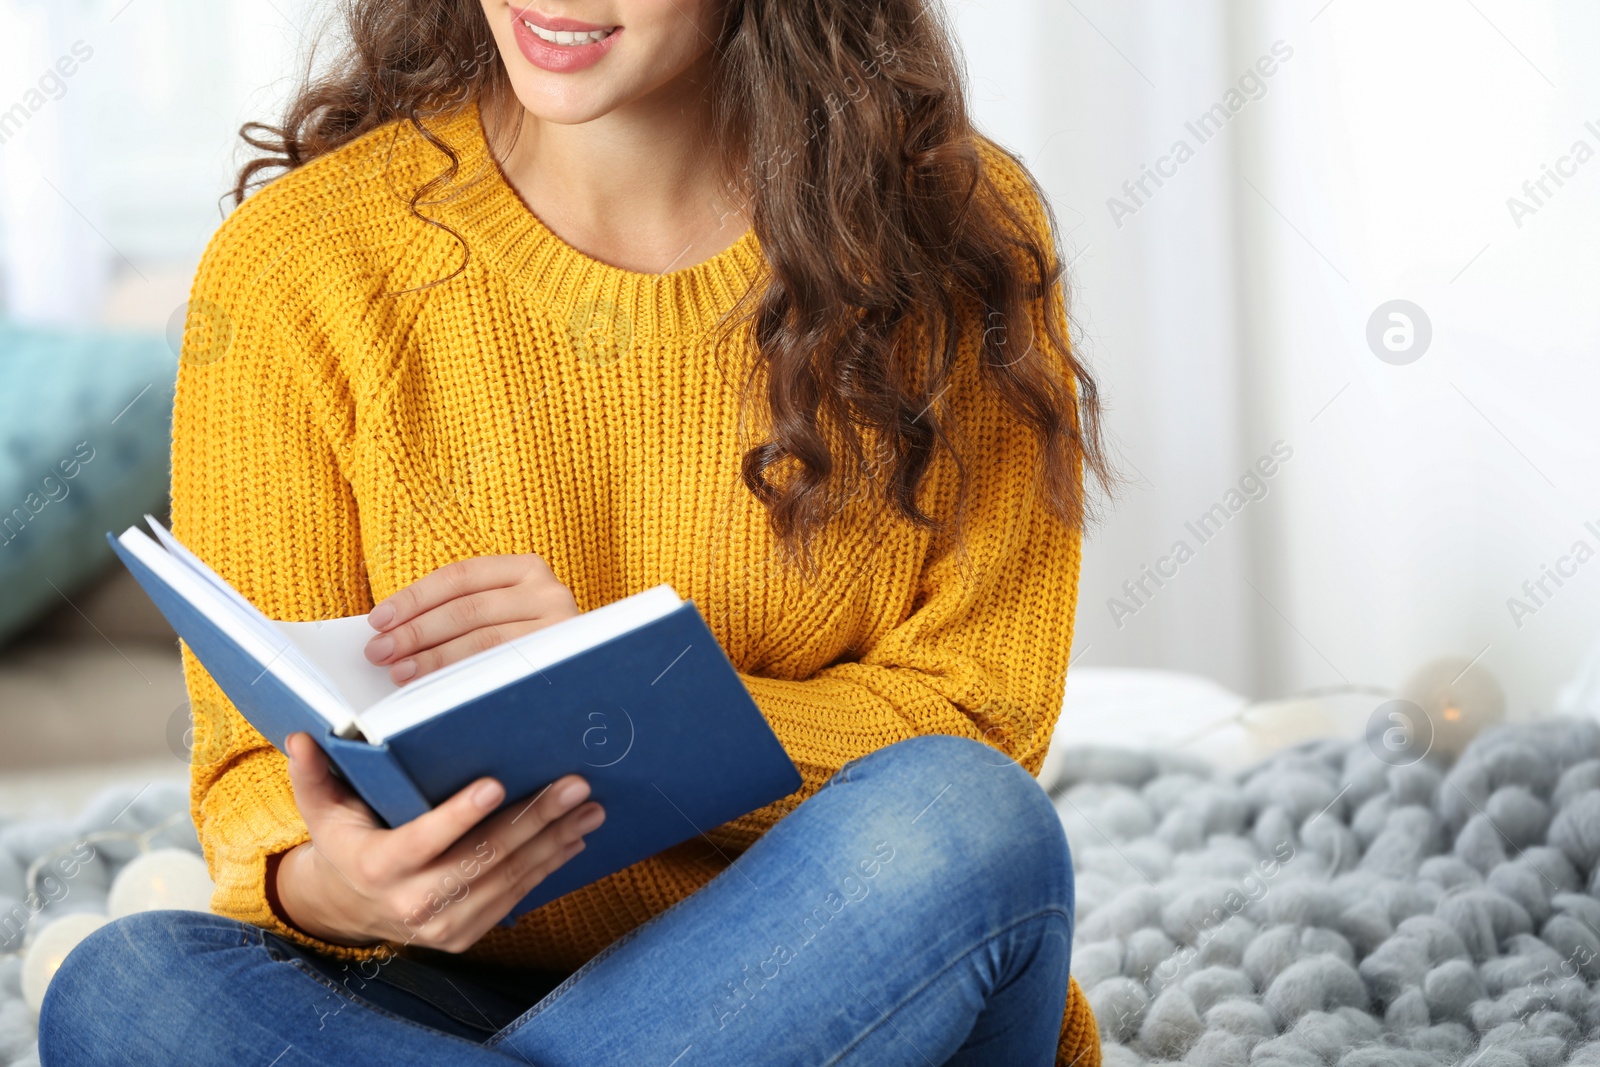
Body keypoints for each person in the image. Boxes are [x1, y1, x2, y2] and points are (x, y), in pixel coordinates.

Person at [40, 0, 1111, 1063]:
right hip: (440, 993)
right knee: (128, 986)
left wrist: (622, 697)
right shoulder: (295, 269)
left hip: (838, 967)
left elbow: (978, 721)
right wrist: (349, 887)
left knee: (970, 820)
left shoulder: (945, 234)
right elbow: (250, 782)